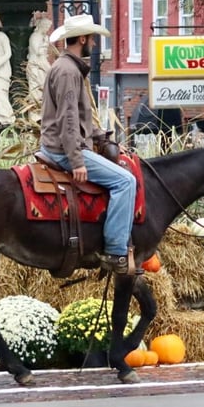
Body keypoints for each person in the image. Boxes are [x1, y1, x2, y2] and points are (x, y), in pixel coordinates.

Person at [39, 14, 137, 276]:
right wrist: (77, 161)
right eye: (91, 39)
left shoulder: (66, 68)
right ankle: (116, 252)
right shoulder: (68, 72)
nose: (93, 44)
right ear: (81, 39)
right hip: (63, 151)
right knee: (126, 182)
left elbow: (80, 119)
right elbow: (67, 120)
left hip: (63, 146)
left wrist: (104, 138)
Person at [26, 11, 56, 124]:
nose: (47, 29)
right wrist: (45, 42)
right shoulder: (35, 36)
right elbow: (38, 51)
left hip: (41, 64)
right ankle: (34, 117)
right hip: (36, 66)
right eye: (46, 27)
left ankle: (41, 115)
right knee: (36, 92)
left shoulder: (44, 37)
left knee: (44, 90)